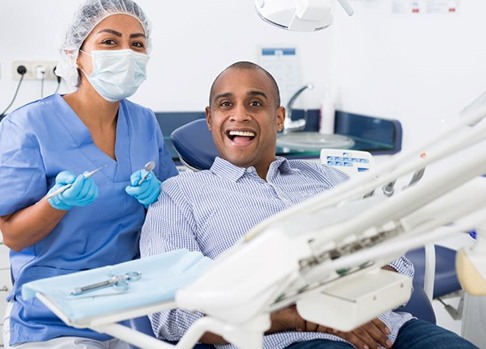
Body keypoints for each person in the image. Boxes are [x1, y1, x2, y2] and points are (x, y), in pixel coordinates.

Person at [140, 61, 478, 349]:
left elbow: (397, 262)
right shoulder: (178, 196)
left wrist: (347, 305)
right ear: (210, 117)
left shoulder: (328, 180)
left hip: (388, 330)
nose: (239, 115)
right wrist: (309, 316)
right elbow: (171, 314)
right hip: (291, 339)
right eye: (226, 105)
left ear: (279, 117)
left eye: (255, 104)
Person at [0, 0, 178, 349]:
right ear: (75, 55)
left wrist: (158, 196)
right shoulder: (29, 126)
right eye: (109, 41)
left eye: (137, 44)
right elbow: (13, 236)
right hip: (57, 315)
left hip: (138, 307)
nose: (126, 53)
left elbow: (172, 213)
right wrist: (56, 203)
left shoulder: (144, 122)